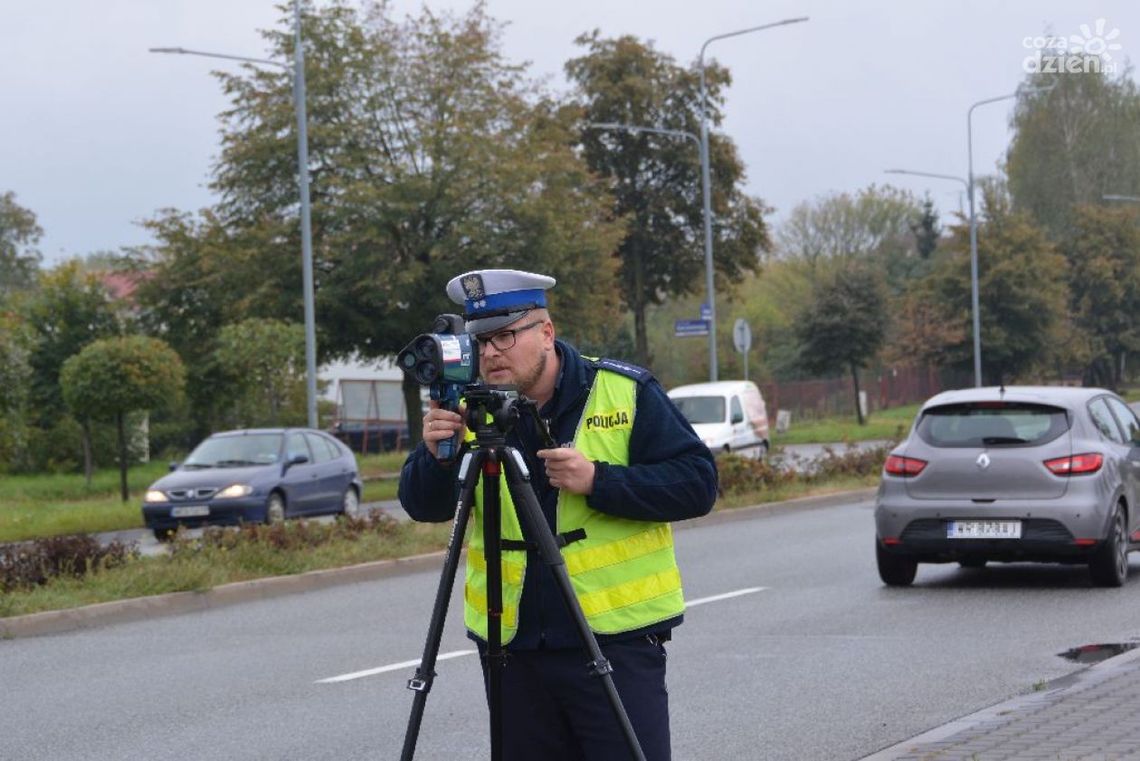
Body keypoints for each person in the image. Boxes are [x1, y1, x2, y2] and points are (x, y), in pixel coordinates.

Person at [398, 268, 717, 761]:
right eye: (480, 340)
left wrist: (599, 481)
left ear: (546, 333)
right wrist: (437, 453)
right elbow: (423, 505)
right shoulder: (468, 410)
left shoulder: (624, 392)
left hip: (615, 640)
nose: (491, 352)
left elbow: (698, 484)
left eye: (505, 335)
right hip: (512, 647)